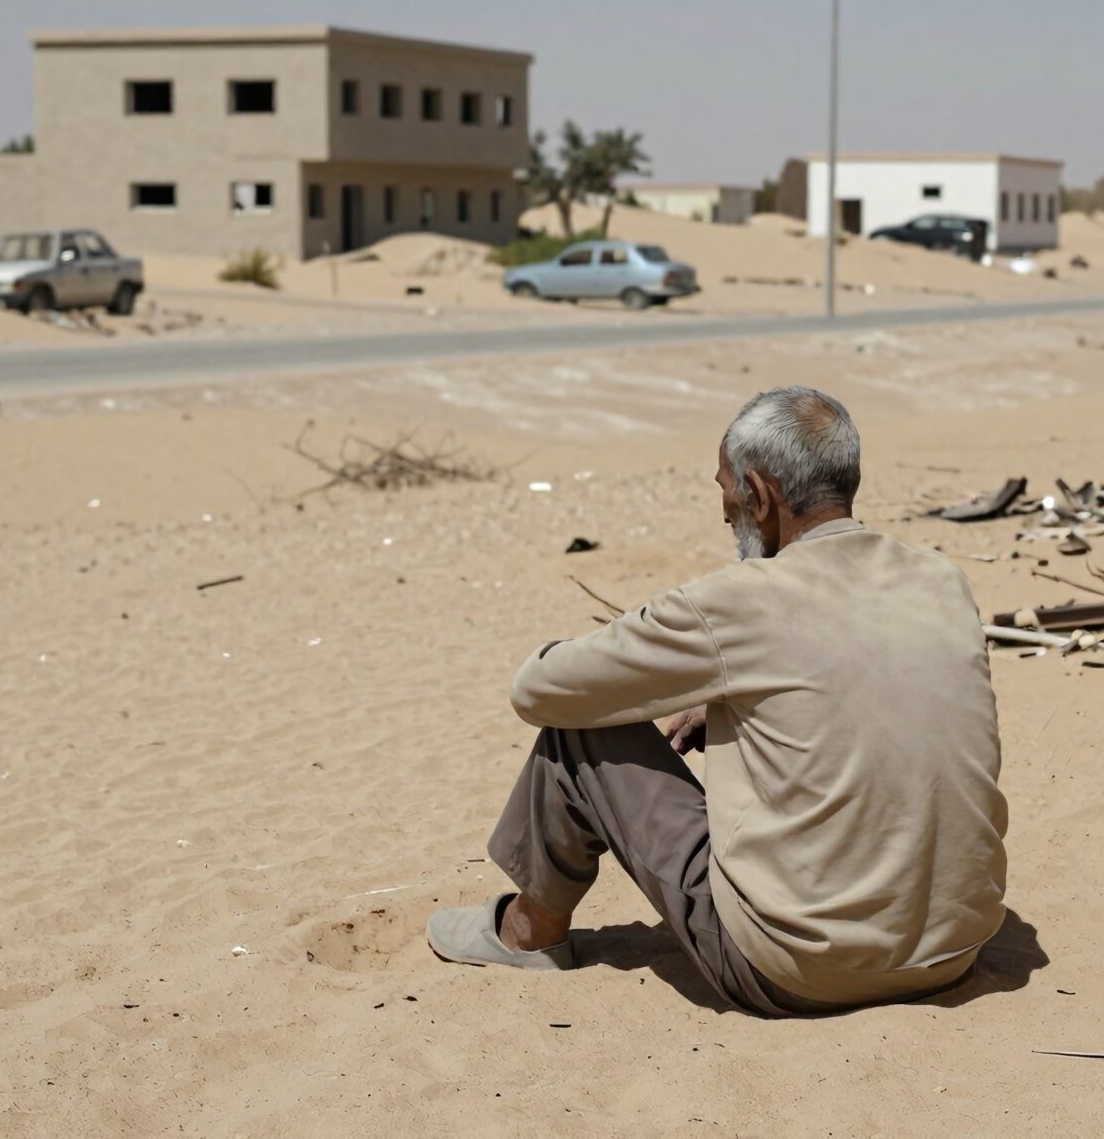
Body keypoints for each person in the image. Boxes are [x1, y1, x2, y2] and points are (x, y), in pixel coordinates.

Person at [426, 386, 1008, 1016]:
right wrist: (726, 701)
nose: (724, 508)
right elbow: (866, 679)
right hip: (952, 953)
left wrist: (675, 677)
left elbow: (538, 689)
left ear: (759, 495)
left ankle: (527, 932)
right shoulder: (941, 581)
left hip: (803, 971)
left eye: (725, 487)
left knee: (578, 732)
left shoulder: (741, 600)